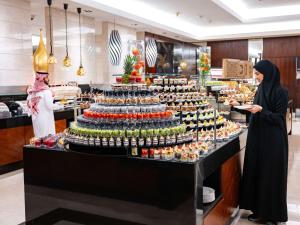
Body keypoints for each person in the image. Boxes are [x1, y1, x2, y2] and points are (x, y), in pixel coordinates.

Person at [230, 60, 288, 225]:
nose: (255, 77)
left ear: (267, 73)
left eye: (257, 74)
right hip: (257, 138)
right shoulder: (261, 89)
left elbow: (279, 119)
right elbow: (254, 110)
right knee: (257, 172)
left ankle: (273, 216)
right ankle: (259, 210)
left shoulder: (280, 92)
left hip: (273, 141)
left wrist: (262, 111)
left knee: (270, 176)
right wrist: (238, 107)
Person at [27, 71, 56, 138]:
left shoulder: (32, 92)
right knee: (47, 140)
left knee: (38, 139)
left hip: (36, 119)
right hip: (45, 119)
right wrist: (59, 105)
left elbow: (29, 104)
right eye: (47, 78)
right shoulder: (47, 92)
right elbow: (49, 106)